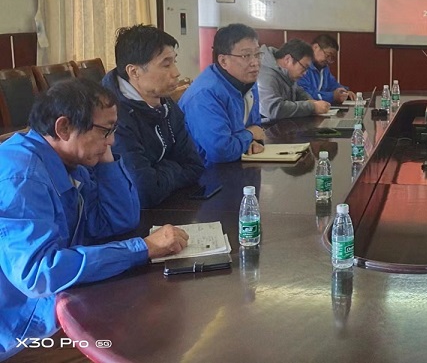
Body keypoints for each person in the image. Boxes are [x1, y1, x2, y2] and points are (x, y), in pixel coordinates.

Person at [0, 79, 188, 359]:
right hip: (22, 333)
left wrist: (104, 154)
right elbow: (39, 274)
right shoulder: (22, 177)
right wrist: (142, 248)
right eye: (105, 131)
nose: (112, 140)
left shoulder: (67, 160)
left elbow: (116, 222)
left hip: (55, 306)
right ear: (64, 128)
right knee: (143, 341)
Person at [101, 24, 204, 207]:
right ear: (134, 72)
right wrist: (173, 166)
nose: (176, 72)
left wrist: (158, 171)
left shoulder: (165, 103)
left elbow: (194, 166)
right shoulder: (112, 116)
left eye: (174, 61)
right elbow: (143, 190)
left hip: (168, 206)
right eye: (166, 64)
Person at [180, 23, 265, 164]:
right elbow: (220, 151)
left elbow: (257, 128)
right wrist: (249, 135)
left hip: (237, 163)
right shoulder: (205, 94)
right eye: (246, 56)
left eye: (257, 54)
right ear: (223, 61)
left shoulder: (247, 82)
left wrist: (252, 141)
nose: (255, 62)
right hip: (205, 172)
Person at [258, 39, 331, 123]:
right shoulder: (266, 75)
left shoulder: (287, 74)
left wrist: (311, 101)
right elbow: (274, 109)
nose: (305, 73)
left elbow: (299, 92)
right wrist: (312, 107)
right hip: (265, 128)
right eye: (304, 67)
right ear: (288, 59)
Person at [298, 34, 351, 105]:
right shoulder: (301, 67)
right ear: (315, 47)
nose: (329, 60)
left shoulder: (324, 68)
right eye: (327, 55)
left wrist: (344, 92)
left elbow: (333, 85)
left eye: (332, 58)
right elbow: (306, 95)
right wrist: (332, 96)